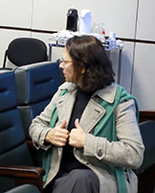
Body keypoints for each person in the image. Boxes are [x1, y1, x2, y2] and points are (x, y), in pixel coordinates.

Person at [29, 35, 144, 193]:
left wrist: (87, 142)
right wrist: (49, 134)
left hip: (101, 179)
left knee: (79, 179)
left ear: (82, 67)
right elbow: (35, 125)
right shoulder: (65, 91)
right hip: (58, 176)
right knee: (73, 181)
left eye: (65, 62)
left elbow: (134, 154)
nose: (61, 66)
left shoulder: (120, 102)